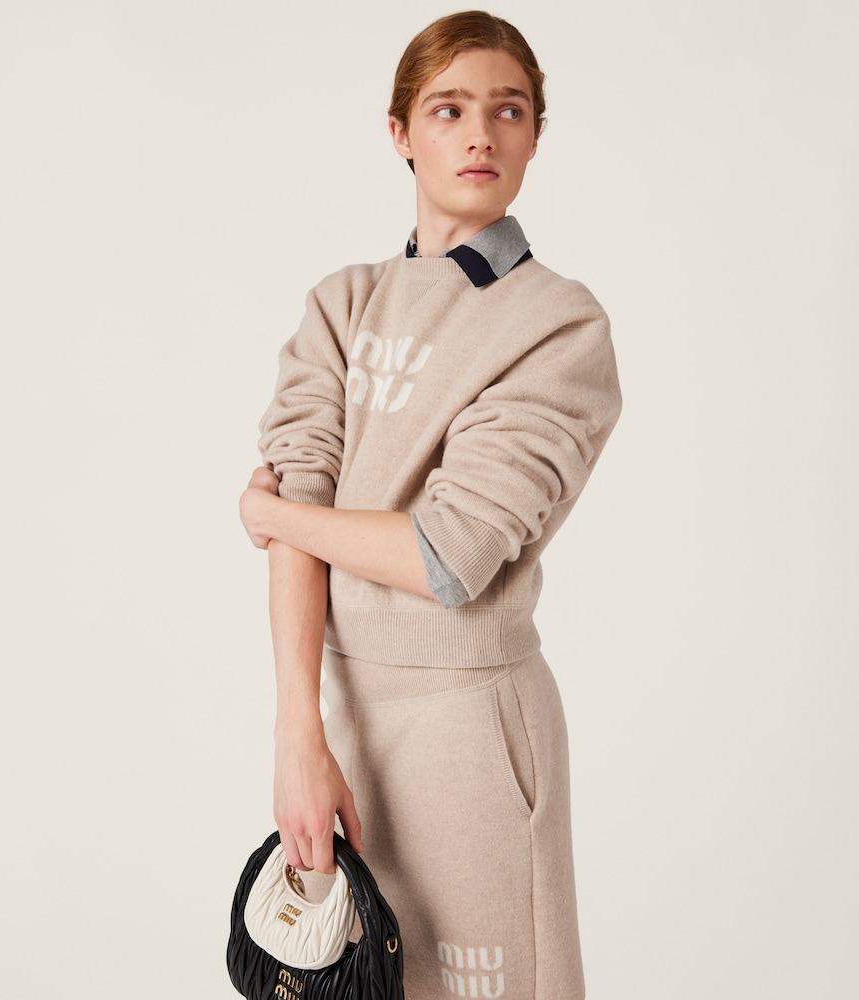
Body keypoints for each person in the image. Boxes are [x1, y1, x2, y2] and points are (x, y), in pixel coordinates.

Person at [239, 11, 621, 998]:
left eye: (509, 110)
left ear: (535, 135)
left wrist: (276, 518)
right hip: (341, 717)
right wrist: (298, 735)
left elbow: (448, 556)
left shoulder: (557, 324)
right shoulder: (341, 304)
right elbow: (303, 480)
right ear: (401, 132)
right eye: (449, 109)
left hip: (471, 731)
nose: (480, 134)